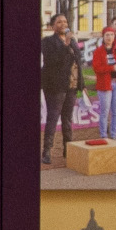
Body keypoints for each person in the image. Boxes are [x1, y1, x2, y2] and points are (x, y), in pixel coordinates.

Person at [39, 14, 81, 163]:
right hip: (55, 86)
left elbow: (78, 61)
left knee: (67, 119)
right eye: (59, 22)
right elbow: (53, 61)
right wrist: (66, 44)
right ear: (53, 26)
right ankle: (46, 152)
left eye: (65, 21)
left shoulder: (73, 41)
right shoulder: (47, 41)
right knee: (53, 118)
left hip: (71, 86)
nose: (63, 24)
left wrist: (81, 83)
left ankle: (68, 150)